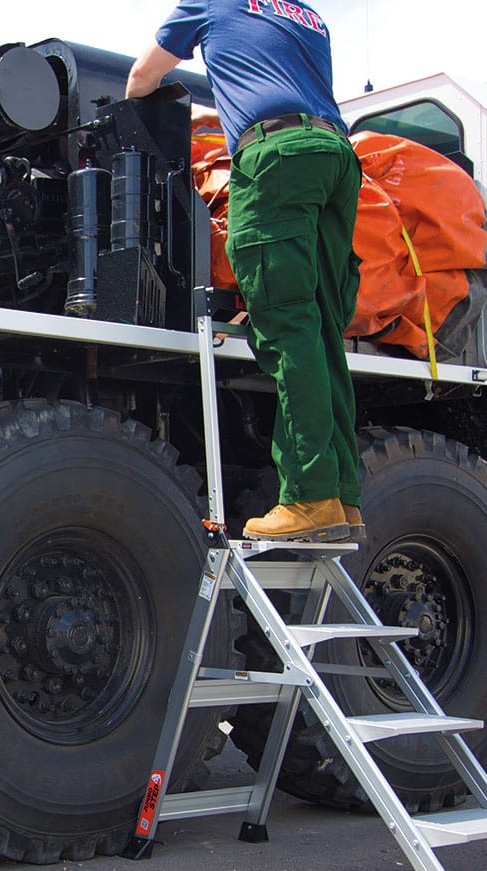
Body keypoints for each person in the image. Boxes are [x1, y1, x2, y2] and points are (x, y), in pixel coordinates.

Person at [126, 0, 364, 542]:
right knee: (326, 330)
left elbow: (143, 76)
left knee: (287, 326)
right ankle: (343, 497)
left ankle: (308, 497)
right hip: (335, 155)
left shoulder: (211, 3)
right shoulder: (306, 16)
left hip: (276, 159)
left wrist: (128, 115)